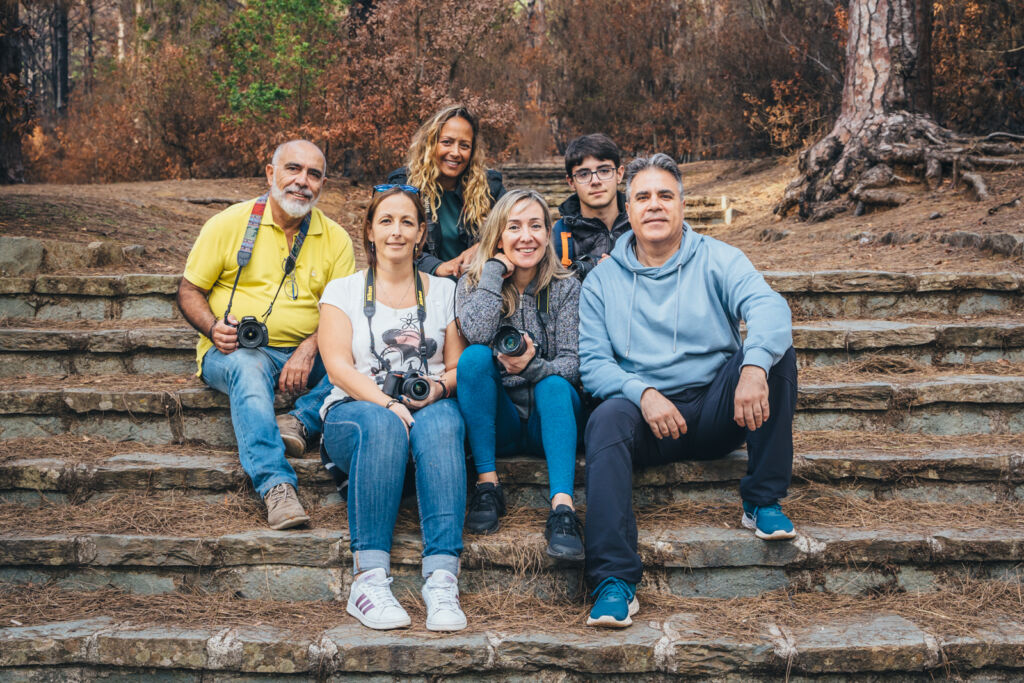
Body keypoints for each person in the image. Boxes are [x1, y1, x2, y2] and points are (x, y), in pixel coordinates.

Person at [579, 154, 797, 628]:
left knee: (774, 351)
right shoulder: (601, 281)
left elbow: (769, 307)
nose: (654, 206)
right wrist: (642, 392)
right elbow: (593, 365)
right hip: (650, 423)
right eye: (642, 197)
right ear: (627, 208)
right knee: (605, 419)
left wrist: (754, 366)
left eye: (665, 195)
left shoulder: (718, 258)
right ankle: (614, 581)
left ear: (682, 204)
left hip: (719, 412)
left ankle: (761, 498)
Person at [177, 140, 354, 530]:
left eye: (313, 174)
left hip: (308, 352)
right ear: (271, 173)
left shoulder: (336, 239)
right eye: (293, 169)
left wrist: (310, 347)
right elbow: (189, 291)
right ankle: (276, 486)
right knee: (246, 366)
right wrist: (213, 328)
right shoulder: (228, 224)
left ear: (323, 184)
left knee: (365, 352)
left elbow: (342, 314)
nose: (302, 182)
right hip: (238, 350)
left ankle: (301, 420)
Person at [318, 185, 469, 632]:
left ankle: (442, 580)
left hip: (429, 408)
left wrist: (437, 390)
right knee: (383, 426)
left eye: (407, 222)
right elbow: (339, 367)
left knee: (444, 425)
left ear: (422, 232)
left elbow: (458, 366)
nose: (396, 232)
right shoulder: (342, 290)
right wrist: (386, 402)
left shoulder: (444, 291)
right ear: (369, 230)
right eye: (386, 221)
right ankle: (368, 580)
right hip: (356, 411)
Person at [455, 189, 584, 560]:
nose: (526, 237)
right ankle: (488, 485)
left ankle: (562, 509)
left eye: (535, 226)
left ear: (548, 234)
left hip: (552, 421)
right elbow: (477, 334)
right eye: (514, 227)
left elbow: (574, 362)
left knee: (555, 384)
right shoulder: (474, 282)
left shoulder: (566, 287)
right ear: (498, 235)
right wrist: (493, 271)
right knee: (475, 358)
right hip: (501, 422)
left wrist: (533, 367)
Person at [386, 104, 506, 278]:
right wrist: (437, 268)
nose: (455, 153)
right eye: (447, 142)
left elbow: (515, 227)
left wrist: (483, 246)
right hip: (419, 287)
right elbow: (391, 241)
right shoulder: (405, 186)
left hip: (474, 288)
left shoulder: (489, 188)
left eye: (464, 146)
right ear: (430, 144)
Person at [553, 134, 631, 279]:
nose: (595, 181)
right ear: (571, 182)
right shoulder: (558, 237)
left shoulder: (642, 225)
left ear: (619, 174)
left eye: (604, 171)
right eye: (584, 174)